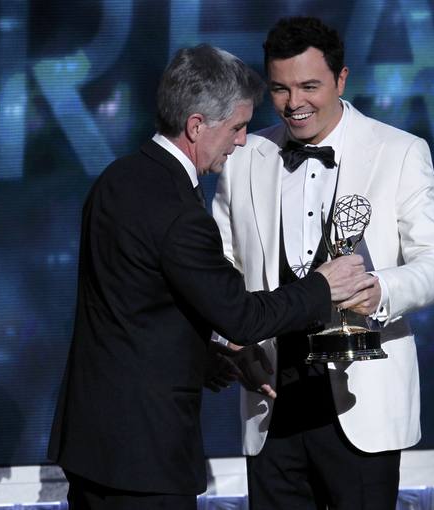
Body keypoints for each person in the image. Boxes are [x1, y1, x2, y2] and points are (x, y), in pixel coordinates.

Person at [47, 44, 372, 510]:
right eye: (237, 127)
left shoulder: (116, 179)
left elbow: (132, 306)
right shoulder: (180, 211)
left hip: (91, 443)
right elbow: (242, 317)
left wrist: (201, 355)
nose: (241, 141)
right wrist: (324, 285)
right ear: (197, 125)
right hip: (145, 456)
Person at [212, 17, 434, 509]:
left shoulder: (399, 151)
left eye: (309, 86)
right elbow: (220, 265)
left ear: (341, 79)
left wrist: (381, 290)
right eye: (280, 89)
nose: (294, 103)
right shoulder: (244, 156)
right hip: (271, 400)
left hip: (363, 404)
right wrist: (229, 340)